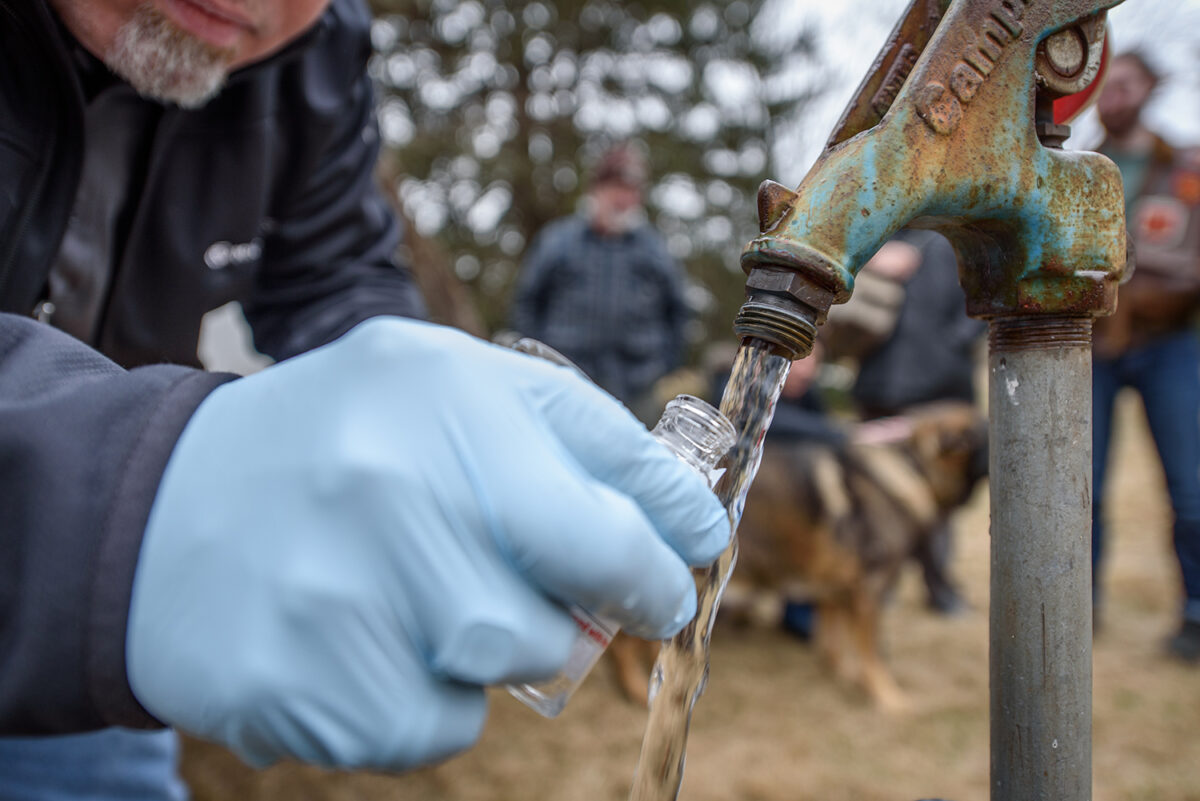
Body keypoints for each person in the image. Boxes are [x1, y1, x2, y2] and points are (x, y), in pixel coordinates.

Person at [0, 0, 730, 795]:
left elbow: (337, 273)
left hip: (98, 651)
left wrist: (425, 403)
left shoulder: (311, 58)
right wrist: (121, 509)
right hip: (115, 582)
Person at [1090, 51, 1200, 660]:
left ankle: (1195, 612)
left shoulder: (1184, 169)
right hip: (1097, 344)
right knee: (1083, 487)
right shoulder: (1083, 166)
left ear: (1151, 89)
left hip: (1170, 345)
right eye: (1107, 83)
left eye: (1127, 82)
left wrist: (1134, 269)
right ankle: (1077, 608)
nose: (1114, 93)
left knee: (1190, 487)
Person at [828, 230, 986, 615]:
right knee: (876, 492)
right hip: (879, 385)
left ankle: (939, 587)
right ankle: (882, 581)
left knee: (936, 497)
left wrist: (951, 344)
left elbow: (984, 299)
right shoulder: (874, 231)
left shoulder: (957, 234)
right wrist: (866, 261)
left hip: (941, 388)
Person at [509, 143, 691, 425]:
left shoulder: (655, 249)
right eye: (616, 187)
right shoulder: (558, 241)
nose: (623, 199)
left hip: (637, 393)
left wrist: (661, 367)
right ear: (595, 190)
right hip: (564, 385)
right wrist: (538, 361)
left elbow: (678, 311)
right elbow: (529, 301)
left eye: (632, 190)